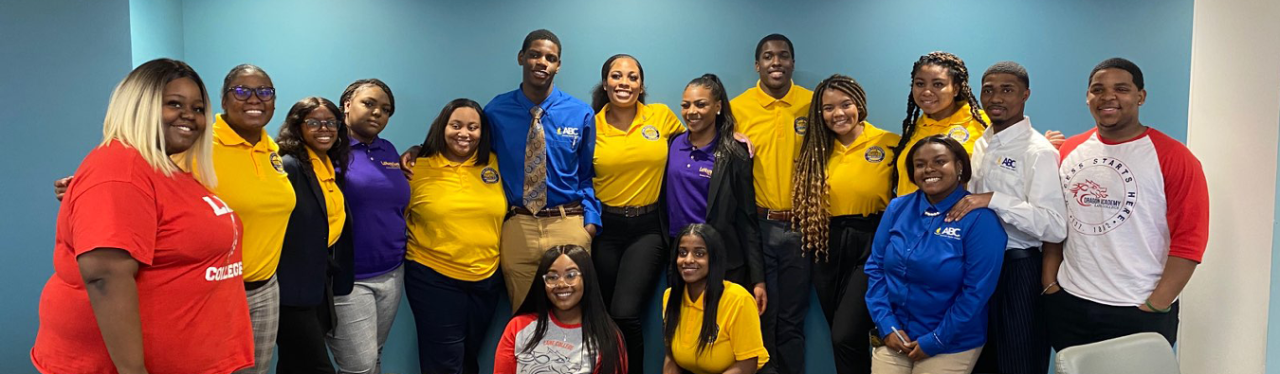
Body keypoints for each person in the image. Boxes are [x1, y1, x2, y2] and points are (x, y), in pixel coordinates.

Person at [51, 64, 295, 374]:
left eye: (196, 107)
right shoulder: (119, 168)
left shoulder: (164, 164)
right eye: (174, 104)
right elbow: (105, 276)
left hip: (208, 339)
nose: (189, 115)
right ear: (139, 104)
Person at [1044, 57, 1209, 350]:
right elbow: (1055, 222)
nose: (1108, 97)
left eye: (1121, 88)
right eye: (1098, 89)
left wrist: (1157, 304)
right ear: (1087, 97)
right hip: (1070, 301)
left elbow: (1190, 240)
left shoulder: (1174, 157)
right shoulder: (1069, 150)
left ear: (1140, 96)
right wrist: (1050, 284)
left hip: (1137, 308)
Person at [942, 61, 1066, 374]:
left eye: (1007, 90)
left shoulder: (1038, 151)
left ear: (1025, 94)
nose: (996, 97)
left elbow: (1054, 225)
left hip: (1019, 270)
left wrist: (994, 201)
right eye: (989, 90)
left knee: (1018, 361)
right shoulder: (982, 143)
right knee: (980, 361)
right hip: (979, 268)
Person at [865, 135, 1006, 374]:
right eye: (920, 165)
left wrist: (937, 340)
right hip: (897, 334)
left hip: (952, 341)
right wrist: (886, 325)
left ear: (960, 166)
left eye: (940, 161)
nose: (929, 169)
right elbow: (875, 269)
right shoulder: (897, 208)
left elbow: (976, 292)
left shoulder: (980, 219)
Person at [790, 74, 899, 374]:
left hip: (872, 243)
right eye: (828, 108)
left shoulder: (889, 144)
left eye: (845, 104)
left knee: (845, 334)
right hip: (826, 245)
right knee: (841, 337)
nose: (838, 113)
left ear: (859, 105)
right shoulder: (816, 150)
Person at [588, 54, 684, 374]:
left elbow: (698, 140)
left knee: (625, 312)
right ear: (606, 83)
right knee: (602, 315)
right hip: (605, 229)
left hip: (647, 228)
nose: (624, 83)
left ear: (641, 85)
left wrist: (732, 135)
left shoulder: (660, 116)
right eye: (616, 76)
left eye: (632, 77)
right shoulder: (591, 124)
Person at [404, 99, 506, 374]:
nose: (465, 133)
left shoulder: (496, 164)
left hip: (486, 277)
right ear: (442, 128)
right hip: (433, 276)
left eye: (473, 127)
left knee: (468, 357)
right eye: (456, 125)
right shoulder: (416, 168)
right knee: (444, 362)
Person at [728, 33, 811, 374]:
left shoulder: (812, 102)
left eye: (783, 55)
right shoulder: (737, 107)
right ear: (757, 65)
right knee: (761, 316)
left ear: (793, 62)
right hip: (757, 227)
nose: (776, 62)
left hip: (802, 227)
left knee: (791, 320)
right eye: (768, 56)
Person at [328, 78, 410, 373]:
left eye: (386, 109)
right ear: (347, 105)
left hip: (391, 272)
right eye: (369, 103)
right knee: (359, 364)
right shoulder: (329, 149)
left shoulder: (388, 150)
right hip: (349, 278)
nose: (378, 113)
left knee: (373, 355)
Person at [663, 73, 766, 304]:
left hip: (722, 258)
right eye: (686, 105)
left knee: (721, 330)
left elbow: (746, 218)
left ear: (717, 107)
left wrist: (758, 278)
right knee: (682, 329)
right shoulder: (672, 144)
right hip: (680, 258)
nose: (692, 111)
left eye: (701, 104)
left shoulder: (734, 152)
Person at [274, 97, 354, 374]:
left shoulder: (327, 165)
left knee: (293, 364)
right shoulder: (290, 166)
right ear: (298, 128)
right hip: (291, 289)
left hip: (318, 283)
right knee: (317, 366)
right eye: (315, 122)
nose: (325, 129)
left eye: (331, 123)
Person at [495, 245, 627, 374]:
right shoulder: (519, 326)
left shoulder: (607, 337)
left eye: (570, 275)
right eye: (552, 277)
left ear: (586, 278)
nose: (561, 284)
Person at [662, 224, 770, 374]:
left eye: (699, 254)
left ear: (714, 259)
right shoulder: (670, 297)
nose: (688, 260)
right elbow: (671, 357)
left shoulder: (738, 299)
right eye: (682, 253)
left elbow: (748, 363)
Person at [892, 51, 989, 197]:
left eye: (938, 84)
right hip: (908, 218)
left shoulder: (984, 125)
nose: (926, 91)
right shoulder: (912, 130)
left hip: (960, 217)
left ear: (955, 89)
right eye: (920, 84)